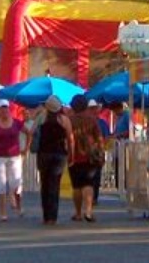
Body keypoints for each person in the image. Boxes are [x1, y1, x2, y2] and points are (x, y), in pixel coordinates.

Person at [0, 100, 27, 222]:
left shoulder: (16, 123)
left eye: (6, 108)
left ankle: (19, 206)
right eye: (1, 109)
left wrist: (26, 149)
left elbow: (28, 133)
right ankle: (3, 213)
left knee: (16, 183)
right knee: (0, 184)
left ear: (9, 109)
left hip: (14, 157)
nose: (4, 111)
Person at [35, 95, 73, 225]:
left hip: (43, 154)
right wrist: (71, 154)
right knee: (54, 184)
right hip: (59, 154)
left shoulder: (41, 118)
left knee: (44, 184)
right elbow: (70, 138)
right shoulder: (64, 120)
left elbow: (32, 132)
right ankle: (53, 216)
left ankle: (46, 216)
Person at [68, 94, 104, 223]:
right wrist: (101, 151)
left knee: (77, 186)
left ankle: (78, 213)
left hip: (74, 156)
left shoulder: (69, 120)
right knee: (88, 184)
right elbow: (99, 138)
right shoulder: (92, 120)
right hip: (90, 156)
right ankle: (88, 211)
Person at [86, 99, 107, 205]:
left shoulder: (102, 123)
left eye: (94, 108)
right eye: (91, 108)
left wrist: (102, 152)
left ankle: (94, 198)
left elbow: (105, 138)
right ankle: (90, 198)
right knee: (89, 176)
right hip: (88, 152)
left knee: (96, 176)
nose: (93, 111)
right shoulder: (85, 122)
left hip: (96, 152)